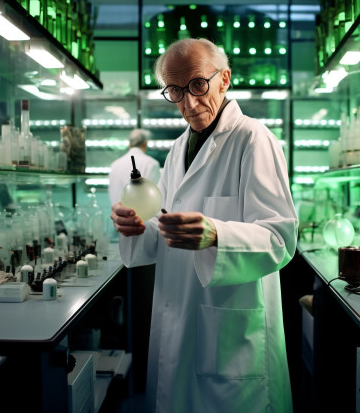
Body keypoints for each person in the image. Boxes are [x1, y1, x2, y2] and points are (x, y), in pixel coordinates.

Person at [111, 37, 298, 413]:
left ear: (224, 79)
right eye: (176, 91)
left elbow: (280, 237)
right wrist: (136, 226)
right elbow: (164, 225)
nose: (189, 102)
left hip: (229, 331)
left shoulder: (253, 139)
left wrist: (218, 235)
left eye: (198, 84)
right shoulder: (178, 149)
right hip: (177, 313)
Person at [108, 128, 161, 205]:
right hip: (142, 216)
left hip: (118, 214)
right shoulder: (151, 164)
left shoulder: (114, 165)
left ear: (129, 145)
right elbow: (155, 198)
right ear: (144, 144)